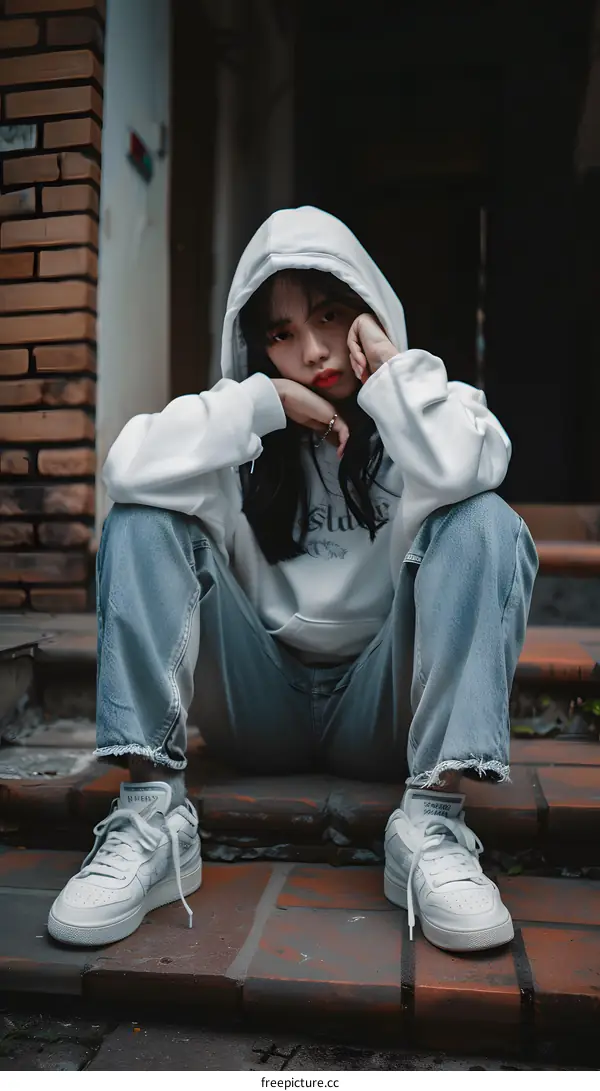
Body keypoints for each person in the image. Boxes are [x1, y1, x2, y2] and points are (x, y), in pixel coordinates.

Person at [48, 206, 538, 954]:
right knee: (141, 519)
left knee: (484, 520)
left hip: (386, 709)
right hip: (259, 702)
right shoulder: (238, 432)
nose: (311, 351)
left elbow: (465, 470)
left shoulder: (431, 411)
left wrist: (393, 370)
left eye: (330, 315)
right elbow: (124, 468)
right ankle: (151, 815)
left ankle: (432, 824)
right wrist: (258, 402)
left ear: (366, 311)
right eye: (279, 333)